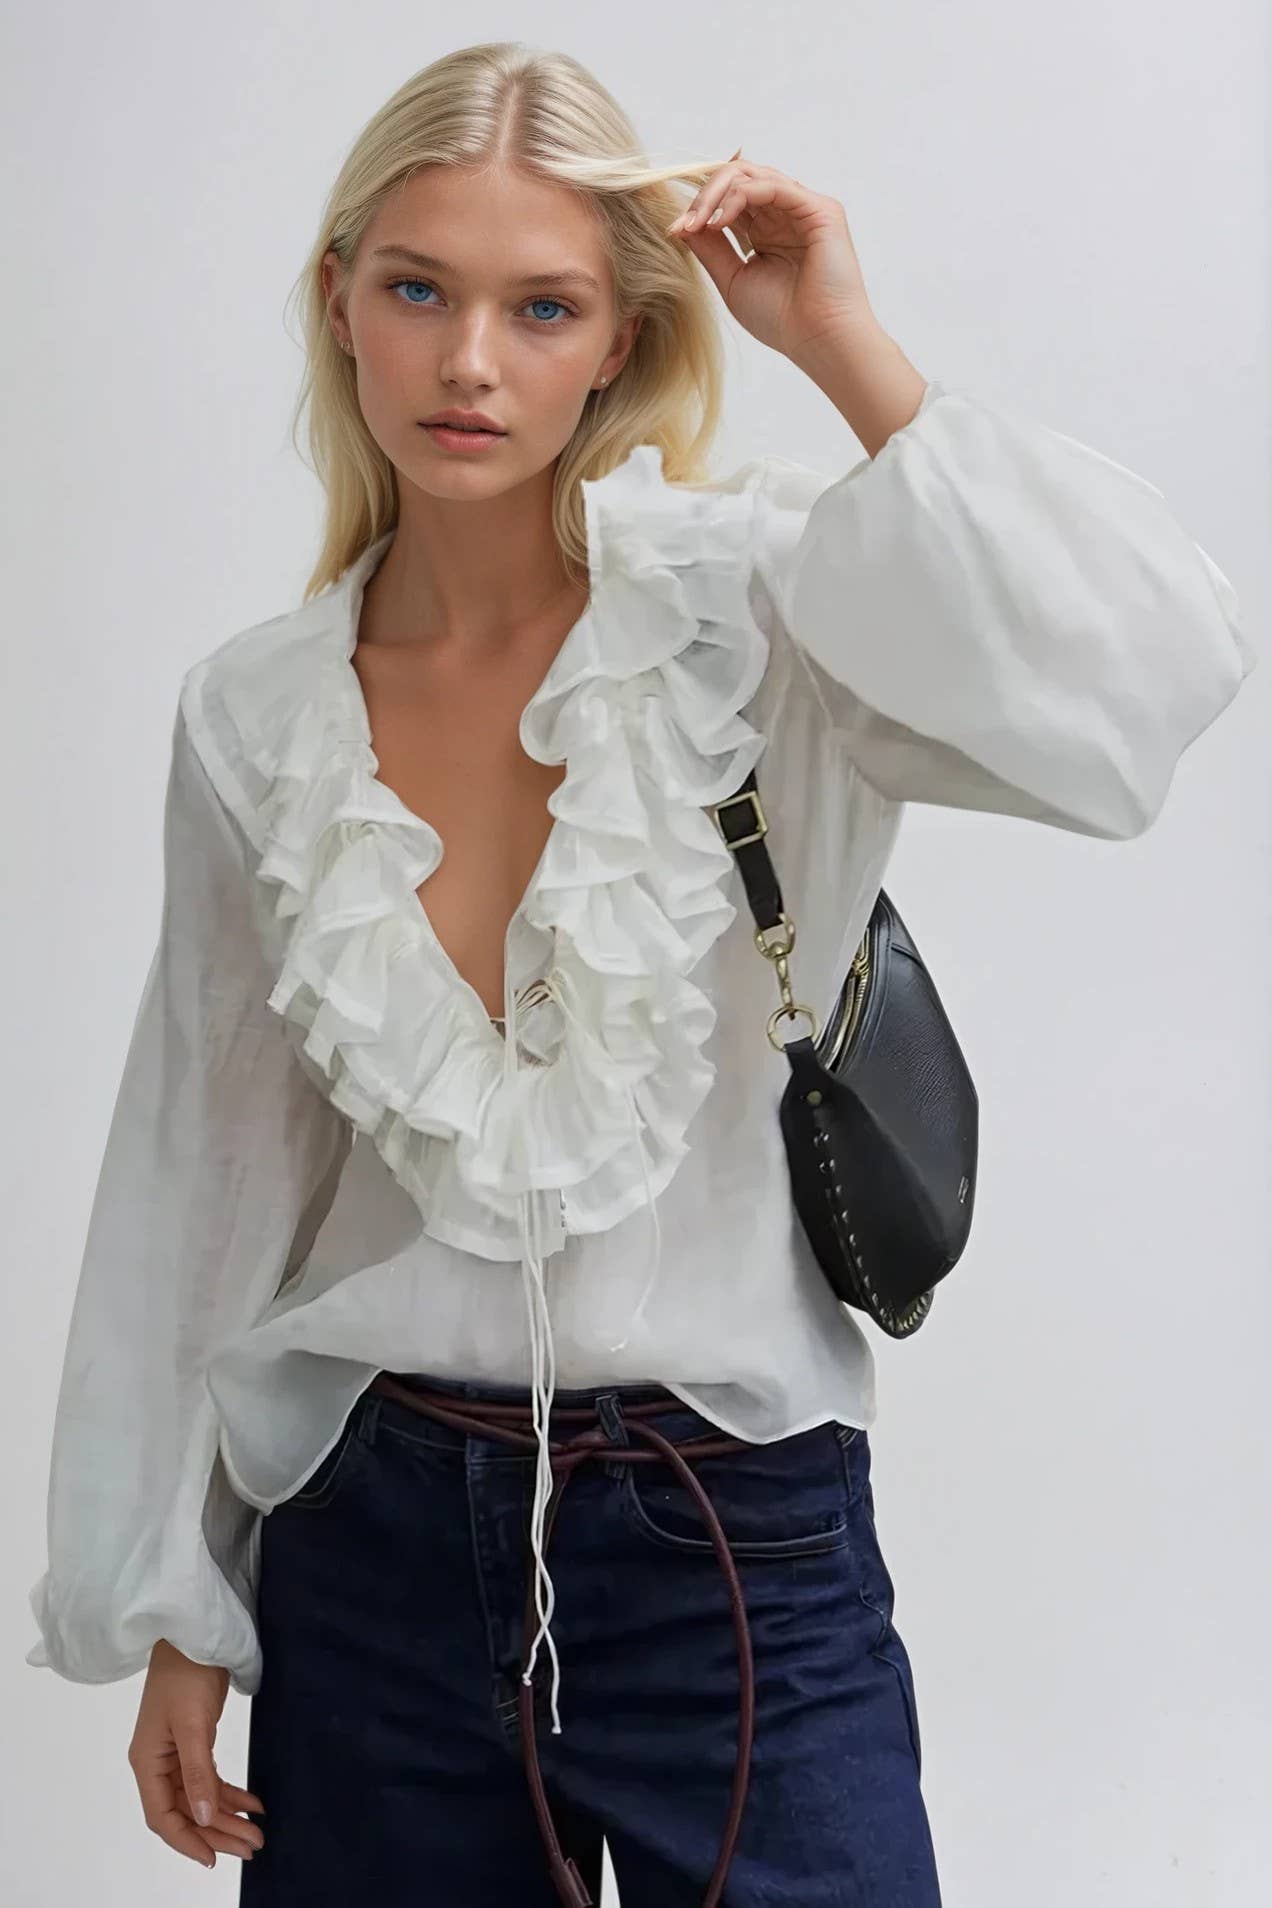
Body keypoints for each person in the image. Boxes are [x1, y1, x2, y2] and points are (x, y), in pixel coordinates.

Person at [25, 38, 1254, 1908]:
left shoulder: (763, 609)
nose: (468, 360)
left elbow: (1137, 690)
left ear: (619, 338)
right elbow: (208, 1167)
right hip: (367, 1557)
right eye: (418, 290)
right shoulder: (256, 716)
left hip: (732, 1543)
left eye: (543, 306)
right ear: (337, 299)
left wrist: (843, 343)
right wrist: (178, 1600)